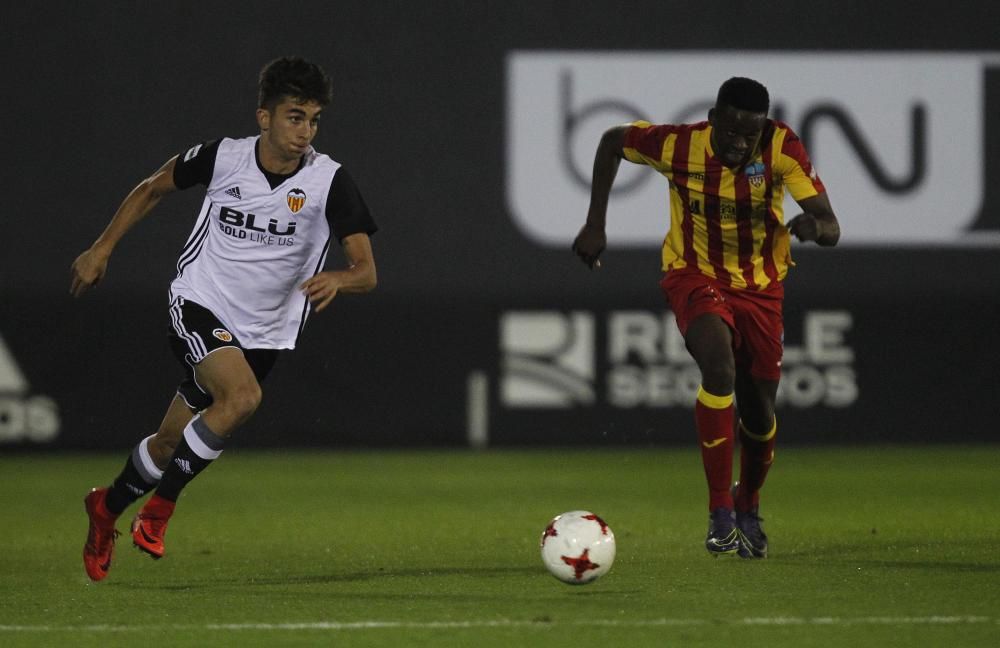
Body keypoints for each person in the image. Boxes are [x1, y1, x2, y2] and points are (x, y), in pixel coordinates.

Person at [71, 56, 378, 581]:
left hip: (265, 332)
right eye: (294, 116)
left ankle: (107, 507)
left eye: (314, 119)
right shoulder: (222, 159)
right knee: (242, 398)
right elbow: (151, 188)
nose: (306, 131)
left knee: (170, 443)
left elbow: (366, 270)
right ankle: (158, 514)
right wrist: (102, 248)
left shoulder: (330, 181)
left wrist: (340, 279)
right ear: (264, 118)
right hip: (200, 302)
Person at [572, 77, 839, 559]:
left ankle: (747, 504)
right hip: (693, 274)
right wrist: (595, 222)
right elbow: (613, 141)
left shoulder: (782, 146)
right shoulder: (677, 145)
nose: (740, 143)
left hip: (761, 290)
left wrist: (813, 226)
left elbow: (831, 226)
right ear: (713, 120)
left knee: (759, 413)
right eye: (731, 132)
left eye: (749, 135)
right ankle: (720, 512)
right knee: (719, 367)